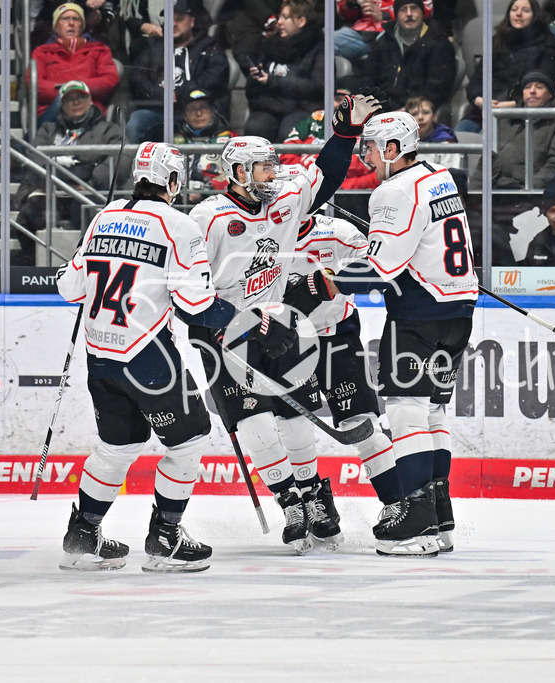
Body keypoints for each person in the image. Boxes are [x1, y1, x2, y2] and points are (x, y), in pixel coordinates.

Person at [187, 91, 382, 552]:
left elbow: (327, 174)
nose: (273, 176)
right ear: (237, 173)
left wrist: (346, 131)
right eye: (263, 168)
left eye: (273, 167)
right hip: (227, 334)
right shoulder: (207, 219)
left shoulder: (286, 199)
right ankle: (289, 502)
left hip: (281, 323)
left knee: (300, 414)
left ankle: (314, 494)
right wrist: (212, 327)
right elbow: (189, 288)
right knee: (254, 423)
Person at [54, 142, 243, 572]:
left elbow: (69, 288)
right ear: (173, 182)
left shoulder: (105, 216)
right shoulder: (179, 225)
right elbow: (196, 306)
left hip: (100, 357)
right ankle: (166, 540)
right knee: (191, 439)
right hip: (148, 359)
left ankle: (83, 536)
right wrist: (244, 319)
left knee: (116, 448)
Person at [334, 111, 479, 556]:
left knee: (405, 412)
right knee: (432, 414)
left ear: (393, 149)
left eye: (372, 147)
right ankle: (439, 515)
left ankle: (416, 520)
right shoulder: (441, 176)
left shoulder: (391, 191)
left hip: (419, 314)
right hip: (459, 311)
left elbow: (380, 268)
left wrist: (332, 277)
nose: (366, 156)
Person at [284, 214, 404, 542]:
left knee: (360, 423)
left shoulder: (338, 232)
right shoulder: (261, 232)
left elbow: (375, 267)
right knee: (290, 427)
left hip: (337, 336)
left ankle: (397, 504)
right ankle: (312, 499)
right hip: (284, 342)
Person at [14, 80, 125, 267]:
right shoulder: (48, 129)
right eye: (69, 100)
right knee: (27, 217)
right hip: (51, 189)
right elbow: (35, 158)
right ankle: (34, 269)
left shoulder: (108, 129)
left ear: (90, 100)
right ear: (61, 104)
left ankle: (90, 268)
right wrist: (63, 179)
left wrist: (92, 180)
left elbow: (120, 160)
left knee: (91, 216)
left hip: (90, 190)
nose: (75, 103)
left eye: (80, 97)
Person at [126, 0, 231, 144]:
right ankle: (138, 165)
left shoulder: (209, 47)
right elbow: (137, 78)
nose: (174, 24)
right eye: (169, 19)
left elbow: (215, 77)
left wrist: (182, 93)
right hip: (161, 113)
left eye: (180, 19)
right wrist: (162, 94)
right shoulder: (152, 48)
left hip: (197, 111)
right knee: (137, 121)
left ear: (192, 21)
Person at [457, 0, 555, 134]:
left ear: (535, 15)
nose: (518, 14)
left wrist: (511, 105)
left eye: (525, 10)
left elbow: (544, 86)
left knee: (486, 143)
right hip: (485, 108)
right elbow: (477, 79)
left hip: (519, 110)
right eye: (514, 9)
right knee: (455, 139)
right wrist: (478, 99)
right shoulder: (497, 39)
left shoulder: (548, 43)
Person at [473, 71, 555, 190]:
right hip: (494, 191)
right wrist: (474, 194)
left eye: (539, 87)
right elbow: (485, 162)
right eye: (527, 87)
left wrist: (528, 190)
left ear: (550, 94)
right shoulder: (505, 120)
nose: (532, 91)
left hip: (526, 193)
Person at [244, 0, 324, 141]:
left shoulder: (318, 46)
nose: (279, 22)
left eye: (285, 18)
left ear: (301, 21)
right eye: (280, 17)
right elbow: (252, 89)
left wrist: (273, 81)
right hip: (271, 106)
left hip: (302, 108)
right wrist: (255, 77)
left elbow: (317, 86)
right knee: (255, 127)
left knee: (289, 133)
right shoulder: (271, 44)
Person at [31, 3, 119, 126]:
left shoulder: (100, 49)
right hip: (54, 111)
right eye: (65, 19)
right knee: (60, 104)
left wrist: (79, 89)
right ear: (56, 26)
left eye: (76, 19)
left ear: (82, 26)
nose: (71, 23)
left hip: (90, 108)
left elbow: (110, 80)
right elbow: (35, 84)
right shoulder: (42, 51)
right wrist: (66, 92)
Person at [363, 0, 456, 111]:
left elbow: (437, 89)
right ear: (396, 15)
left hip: (416, 111)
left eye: (414, 8)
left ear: (422, 13)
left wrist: (407, 109)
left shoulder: (439, 44)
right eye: (403, 9)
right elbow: (368, 79)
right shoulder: (384, 42)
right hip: (382, 110)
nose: (409, 14)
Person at [280, 85, 378, 190]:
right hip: (305, 187)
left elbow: (377, 175)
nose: (341, 105)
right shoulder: (316, 118)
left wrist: (343, 187)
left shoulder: (369, 128)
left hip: (348, 195)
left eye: (347, 101)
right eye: (337, 99)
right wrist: (306, 180)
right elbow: (287, 153)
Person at [173, 90, 237, 200]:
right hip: (179, 201)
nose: (198, 113)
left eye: (204, 108)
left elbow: (239, 177)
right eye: (192, 109)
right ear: (184, 115)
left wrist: (204, 192)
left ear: (213, 111)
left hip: (219, 202)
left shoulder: (230, 139)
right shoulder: (174, 141)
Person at [334, 0, 433, 62]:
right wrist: (351, 4)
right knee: (328, 41)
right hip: (362, 33)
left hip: (394, 32)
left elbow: (426, 10)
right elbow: (343, 14)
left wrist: (385, 15)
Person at [406, 92, 462, 170]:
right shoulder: (402, 145)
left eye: (426, 113)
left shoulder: (446, 144)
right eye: (415, 114)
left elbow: (451, 177)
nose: (420, 117)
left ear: (434, 116)